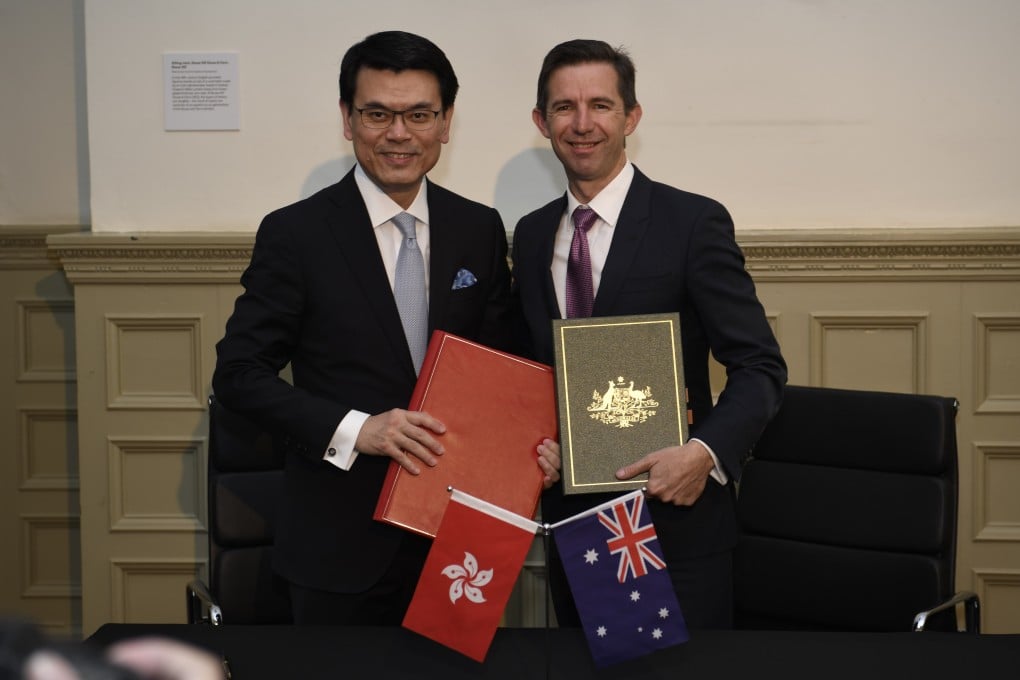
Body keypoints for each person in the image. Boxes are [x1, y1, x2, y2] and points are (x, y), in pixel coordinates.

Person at [213, 30, 559, 625]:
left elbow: (507, 366)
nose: (399, 134)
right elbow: (240, 376)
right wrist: (357, 429)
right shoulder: (296, 235)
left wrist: (545, 439)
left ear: (446, 122)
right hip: (338, 546)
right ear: (348, 119)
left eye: (419, 114)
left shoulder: (478, 227)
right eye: (378, 113)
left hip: (462, 545)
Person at [511, 39, 787, 629]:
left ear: (631, 117)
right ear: (542, 122)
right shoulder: (531, 236)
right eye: (564, 108)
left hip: (674, 520)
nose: (582, 124)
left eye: (601, 106)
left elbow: (760, 367)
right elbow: (536, 368)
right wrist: (542, 439)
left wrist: (704, 455)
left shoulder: (691, 222)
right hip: (576, 524)